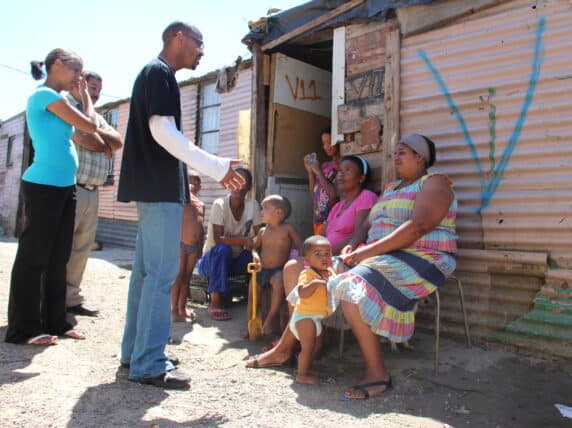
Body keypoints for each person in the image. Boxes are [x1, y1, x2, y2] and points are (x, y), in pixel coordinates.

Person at [246, 134, 457, 402]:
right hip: (377, 255)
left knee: (351, 283)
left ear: (420, 157)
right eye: (395, 152)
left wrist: (365, 252)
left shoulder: (435, 183)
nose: (395, 157)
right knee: (299, 270)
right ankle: (288, 347)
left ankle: (377, 373)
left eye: (402, 152)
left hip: (420, 257)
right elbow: (367, 225)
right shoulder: (391, 188)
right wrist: (352, 246)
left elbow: (419, 226)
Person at [117, 22, 245, 390]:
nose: (202, 51)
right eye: (198, 43)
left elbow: (166, 139)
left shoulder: (154, 74)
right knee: (160, 277)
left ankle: (136, 353)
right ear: (178, 38)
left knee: (146, 276)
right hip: (157, 191)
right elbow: (163, 133)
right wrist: (216, 167)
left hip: (153, 189)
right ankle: (149, 363)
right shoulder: (160, 74)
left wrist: (208, 165)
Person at [5, 48, 100, 346]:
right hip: (43, 185)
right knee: (34, 258)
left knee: (59, 258)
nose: (79, 77)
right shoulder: (45, 97)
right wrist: (85, 98)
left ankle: (56, 321)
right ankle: (23, 328)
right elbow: (91, 125)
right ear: (56, 65)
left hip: (65, 187)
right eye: (76, 70)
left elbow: (83, 136)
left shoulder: (61, 104)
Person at [65, 71, 123, 317]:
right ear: (79, 85)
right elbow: (83, 138)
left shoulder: (97, 117)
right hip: (71, 187)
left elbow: (118, 141)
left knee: (81, 248)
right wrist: (103, 144)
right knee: (62, 247)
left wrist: (98, 137)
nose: (96, 93)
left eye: (99, 88)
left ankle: (71, 299)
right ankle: (51, 299)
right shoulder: (65, 107)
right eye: (92, 87)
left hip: (92, 190)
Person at [198, 168, 262, 321]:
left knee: (256, 256)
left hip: (236, 260)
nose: (238, 186)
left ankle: (255, 300)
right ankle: (215, 302)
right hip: (211, 261)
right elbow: (219, 239)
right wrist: (242, 240)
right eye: (234, 181)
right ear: (228, 184)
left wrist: (249, 244)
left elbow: (261, 235)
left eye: (242, 182)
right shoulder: (219, 204)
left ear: (250, 187)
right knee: (223, 250)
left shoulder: (252, 205)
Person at [248, 195, 303, 337]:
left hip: (277, 270)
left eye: (265, 208)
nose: (261, 211)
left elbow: (301, 246)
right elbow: (255, 248)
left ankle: (270, 319)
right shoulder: (262, 231)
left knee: (279, 283)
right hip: (261, 269)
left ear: (278, 213)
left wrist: (302, 262)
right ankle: (249, 324)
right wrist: (255, 254)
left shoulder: (287, 229)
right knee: (252, 290)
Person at [287, 235, 335, 384]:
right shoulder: (307, 274)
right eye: (318, 254)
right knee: (307, 347)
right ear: (307, 260)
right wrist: (315, 284)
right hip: (304, 318)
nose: (324, 257)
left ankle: (305, 367)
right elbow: (301, 292)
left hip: (317, 318)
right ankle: (301, 375)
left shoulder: (330, 273)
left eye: (327, 254)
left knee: (316, 346)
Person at [171, 171, 204, 322]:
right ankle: (173, 310)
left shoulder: (201, 204)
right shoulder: (182, 200)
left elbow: (201, 226)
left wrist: (201, 247)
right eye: (190, 181)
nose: (193, 185)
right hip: (181, 245)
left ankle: (182, 307)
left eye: (196, 182)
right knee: (178, 277)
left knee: (187, 278)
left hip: (194, 247)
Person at [304, 127, 339, 236]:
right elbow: (314, 194)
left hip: (332, 217)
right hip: (318, 218)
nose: (326, 146)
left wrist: (318, 171)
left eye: (330, 142)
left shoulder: (342, 165)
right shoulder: (324, 166)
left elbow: (334, 194)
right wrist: (310, 171)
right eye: (324, 143)